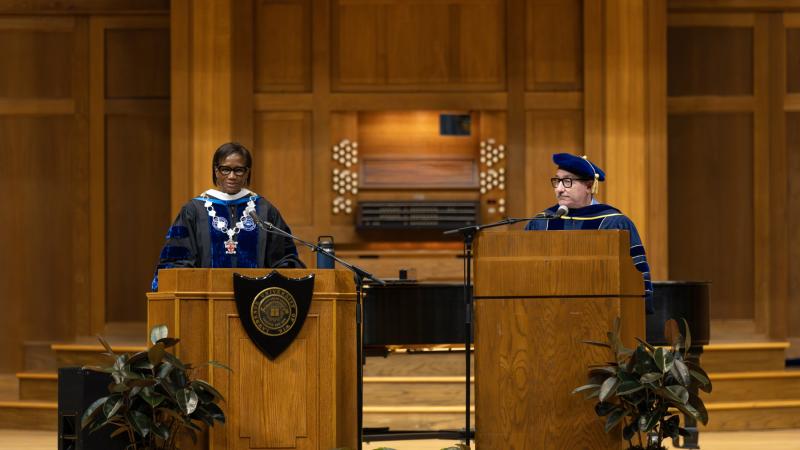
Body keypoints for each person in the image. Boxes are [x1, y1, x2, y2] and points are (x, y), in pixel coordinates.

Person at [151, 142, 302, 290]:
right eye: (225, 169)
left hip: (255, 300)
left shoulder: (264, 210)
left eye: (238, 170)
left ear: (247, 172)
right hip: (206, 300)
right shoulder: (194, 210)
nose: (232, 176)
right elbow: (176, 259)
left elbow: (284, 258)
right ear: (216, 171)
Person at [525, 153, 653, 312]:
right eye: (557, 181)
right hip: (546, 313)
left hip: (602, 313)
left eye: (567, 181)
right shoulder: (541, 222)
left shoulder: (614, 222)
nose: (559, 189)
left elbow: (637, 276)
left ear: (589, 186)